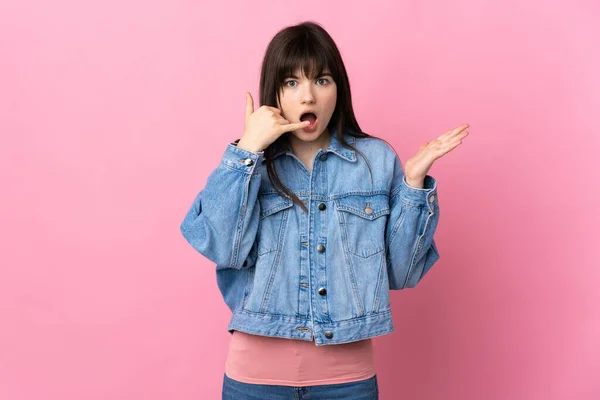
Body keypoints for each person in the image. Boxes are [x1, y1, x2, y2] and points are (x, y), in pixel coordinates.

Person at [180, 20, 470, 400]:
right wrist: (247, 149)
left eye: (321, 80)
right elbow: (219, 245)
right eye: (291, 83)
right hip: (255, 381)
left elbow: (400, 274)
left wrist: (413, 184)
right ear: (276, 92)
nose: (307, 97)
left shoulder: (376, 161)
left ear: (339, 89)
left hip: (347, 381)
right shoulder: (250, 162)